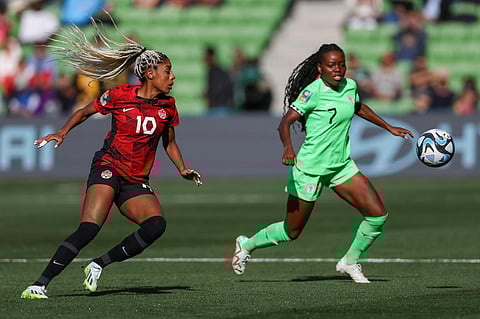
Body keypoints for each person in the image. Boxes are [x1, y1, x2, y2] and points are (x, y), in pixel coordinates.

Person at [20, 17, 202, 299]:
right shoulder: (120, 95)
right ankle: (39, 284)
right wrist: (62, 131)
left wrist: (182, 168)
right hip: (109, 166)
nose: (173, 76)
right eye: (168, 71)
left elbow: (170, 143)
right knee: (90, 227)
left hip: (136, 179)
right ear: (150, 74)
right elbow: (84, 112)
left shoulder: (168, 106)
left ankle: (98, 264)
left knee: (156, 225)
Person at [231, 44, 413, 283]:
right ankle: (246, 244)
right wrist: (288, 148)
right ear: (320, 68)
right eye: (331, 65)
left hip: (341, 166)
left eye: (341, 64)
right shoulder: (312, 92)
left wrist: (388, 127)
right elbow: (285, 123)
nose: (337, 69)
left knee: (377, 215)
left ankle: (349, 262)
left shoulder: (350, 86)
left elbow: (358, 107)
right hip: (310, 170)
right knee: (291, 231)